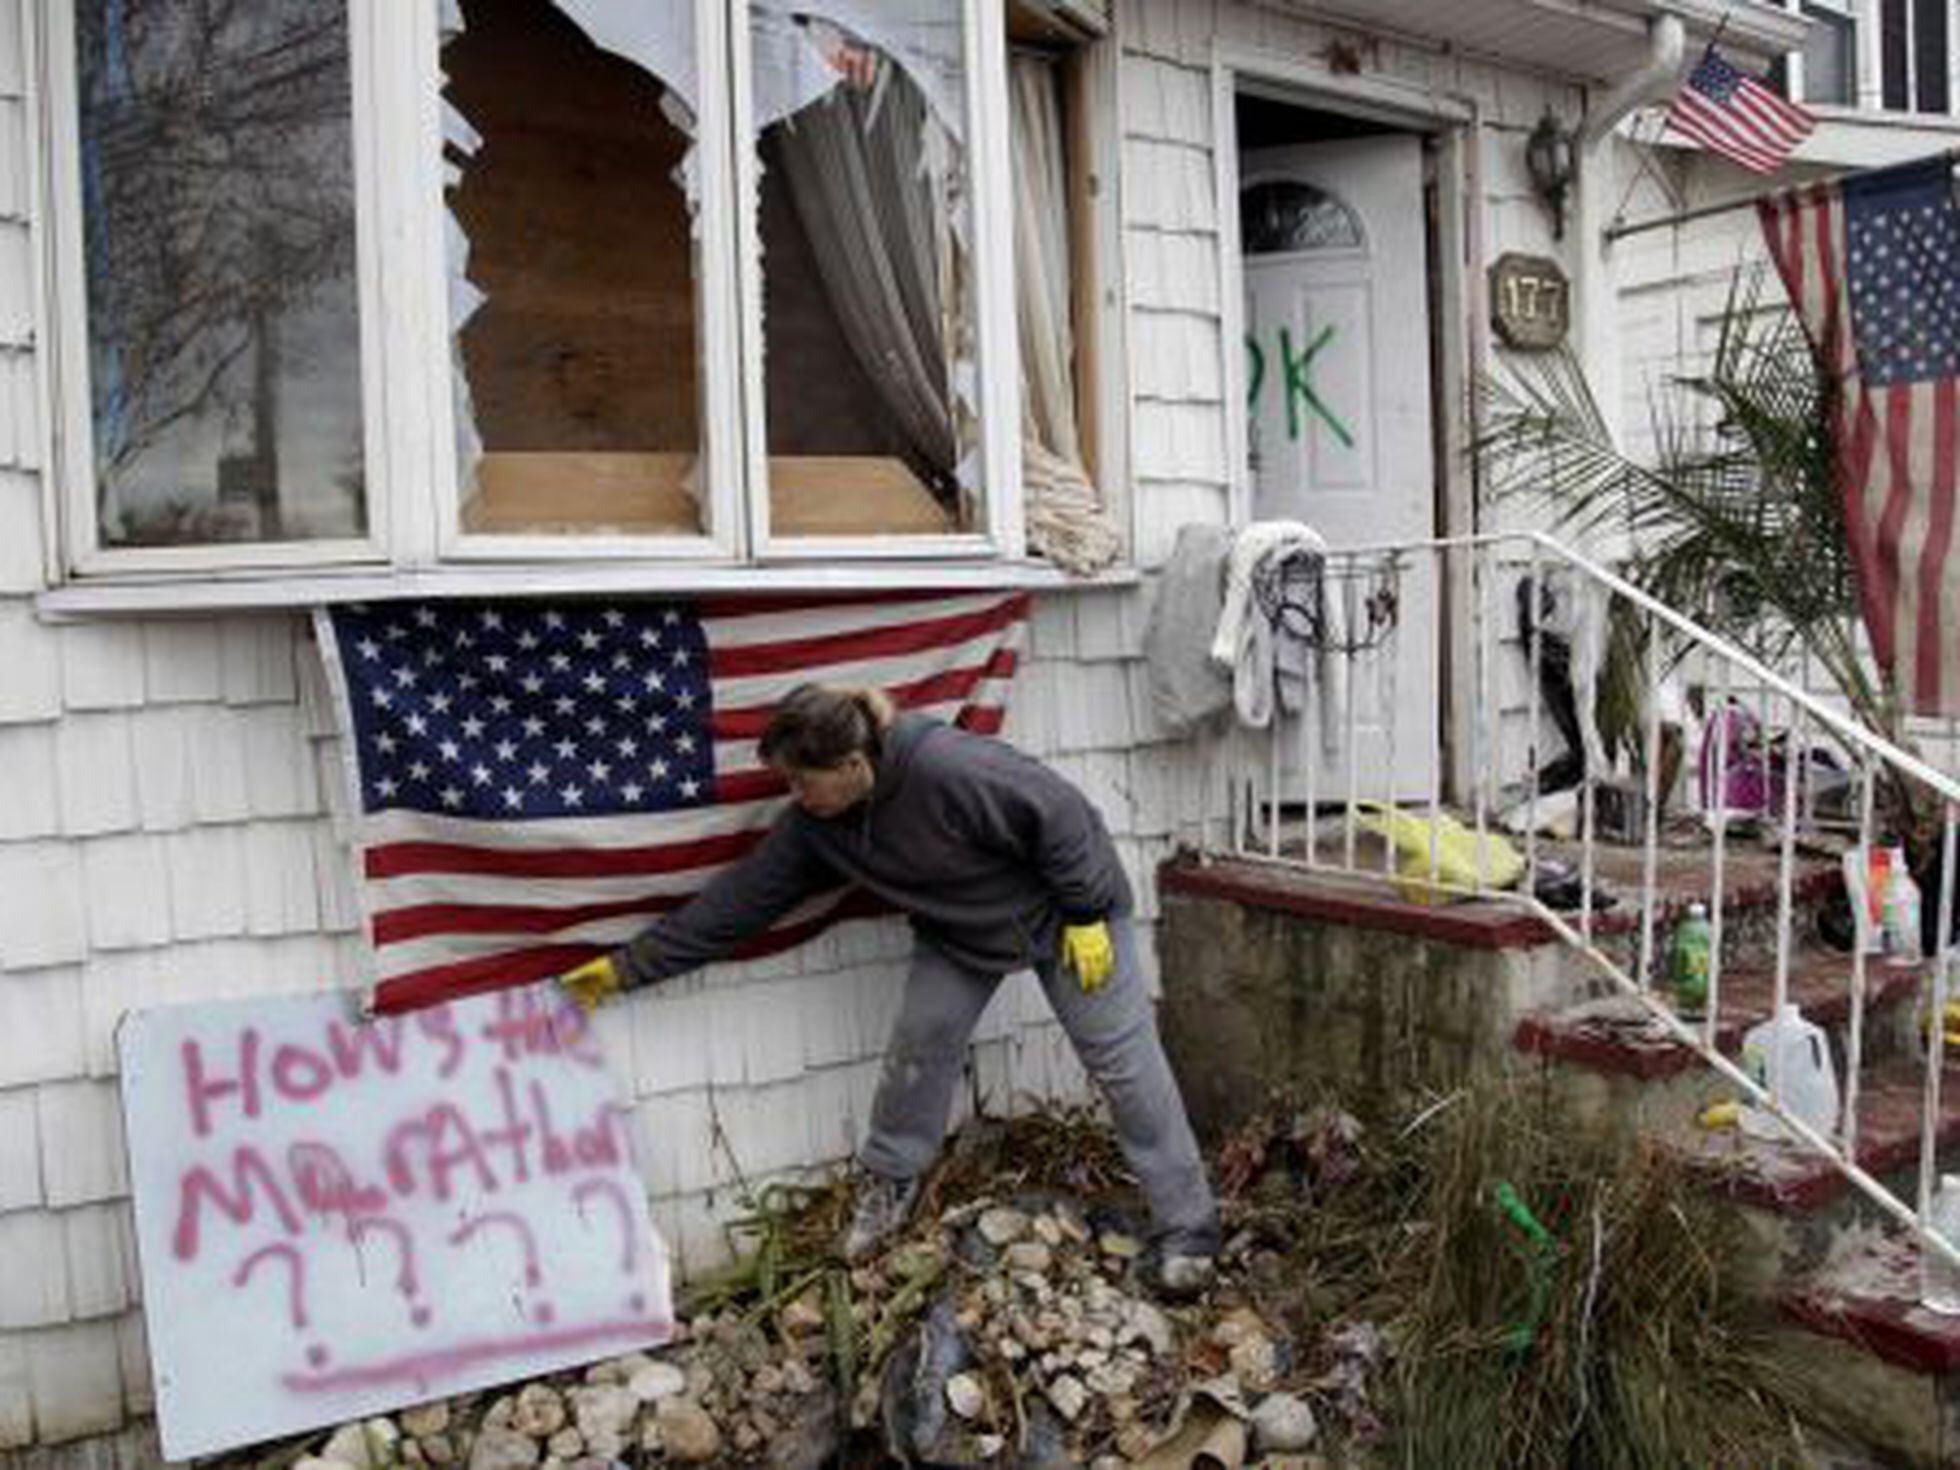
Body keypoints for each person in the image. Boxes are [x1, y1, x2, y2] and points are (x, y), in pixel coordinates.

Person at [559, 683, 1220, 1296]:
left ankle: (1189, 1227)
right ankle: (891, 1183)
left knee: (1123, 1064)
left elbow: (1063, 815)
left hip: (1068, 918)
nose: (794, 793)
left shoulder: (951, 768)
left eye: (801, 778)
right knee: (918, 1049)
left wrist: (1086, 910)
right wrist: (625, 969)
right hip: (961, 934)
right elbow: (737, 904)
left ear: (851, 763)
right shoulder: (816, 826)